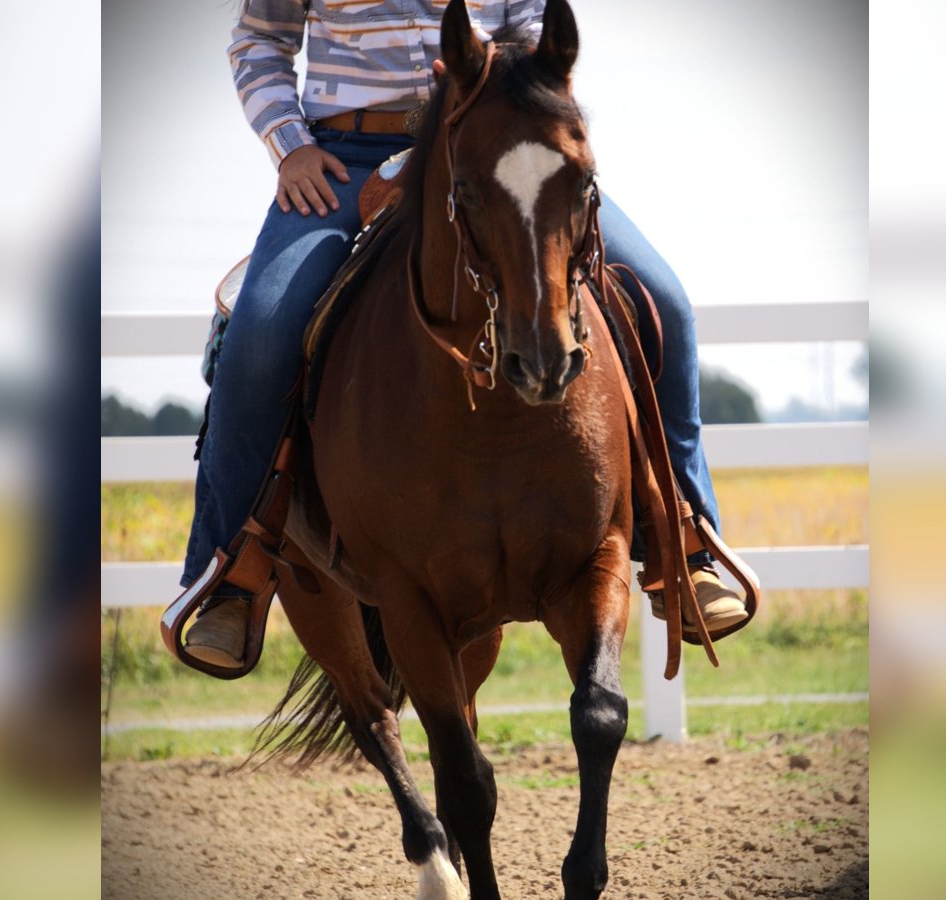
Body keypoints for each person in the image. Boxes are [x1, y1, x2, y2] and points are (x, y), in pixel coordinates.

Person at [181, 0, 747, 670]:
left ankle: (686, 540)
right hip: (345, 157)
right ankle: (232, 572)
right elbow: (260, 40)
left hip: (499, 137)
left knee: (665, 305)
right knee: (262, 330)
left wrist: (502, 80)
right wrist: (291, 146)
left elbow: (538, 29)